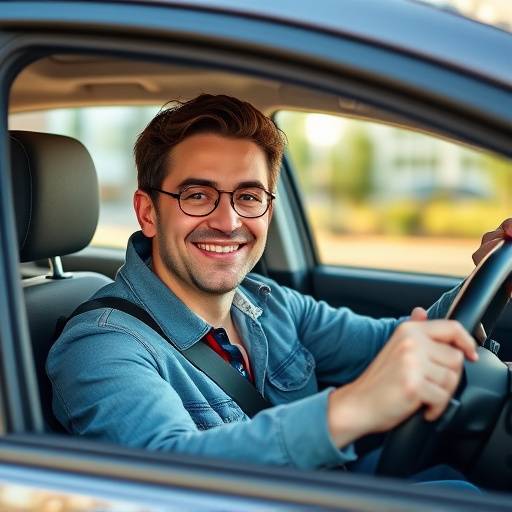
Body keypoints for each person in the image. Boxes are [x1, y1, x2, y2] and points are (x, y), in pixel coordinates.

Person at [47, 94, 512, 481]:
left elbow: (394, 345)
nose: (227, 221)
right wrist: (351, 409)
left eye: (248, 197)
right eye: (197, 195)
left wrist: (492, 280)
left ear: (267, 211)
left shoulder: (266, 302)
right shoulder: (101, 345)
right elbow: (169, 480)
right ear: (148, 213)